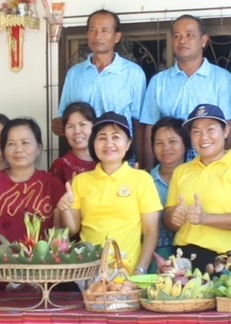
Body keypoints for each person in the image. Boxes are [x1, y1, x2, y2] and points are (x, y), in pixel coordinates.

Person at [56, 112, 162, 271]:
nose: (109, 143)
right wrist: (64, 209)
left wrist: (140, 270)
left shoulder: (142, 179)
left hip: (127, 273)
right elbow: (73, 230)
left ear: (128, 144)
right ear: (93, 144)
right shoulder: (81, 181)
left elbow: (151, 231)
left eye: (116, 137)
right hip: (87, 271)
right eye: (102, 138)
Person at [164, 104, 231, 270]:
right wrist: (174, 217)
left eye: (210, 129)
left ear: (226, 131)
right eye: (196, 132)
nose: (204, 137)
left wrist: (205, 219)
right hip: (182, 259)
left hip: (225, 259)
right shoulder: (181, 171)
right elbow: (167, 218)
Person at [137, 15, 231, 166]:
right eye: (177, 36)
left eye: (189, 35)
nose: (182, 40)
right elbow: (150, 128)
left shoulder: (222, 79)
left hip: (211, 166)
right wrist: (149, 172)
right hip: (170, 166)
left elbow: (228, 126)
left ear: (203, 40)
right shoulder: (159, 81)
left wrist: (228, 169)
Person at [54, 9, 147, 146]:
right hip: (83, 152)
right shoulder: (75, 73)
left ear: (117, 37)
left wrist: (141, 162)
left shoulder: (133, 73)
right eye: (93, 30)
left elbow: (138, 121)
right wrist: (57, 125)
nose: (98, 36)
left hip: (117, 151)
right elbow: (64, 118)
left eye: (104, 30)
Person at [147, 117, 187, 263]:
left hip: (190, 251)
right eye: (159, 143)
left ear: (185, 143)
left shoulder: (198, 177)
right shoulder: (146, 181)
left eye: (173, 141)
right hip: (155, 255)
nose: (166, 148)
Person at [51, 102, 97, 185]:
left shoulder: (105, 161)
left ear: (94, 127)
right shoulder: (61, 166)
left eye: (82, 124)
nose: (76, 131)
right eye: (70, 126)